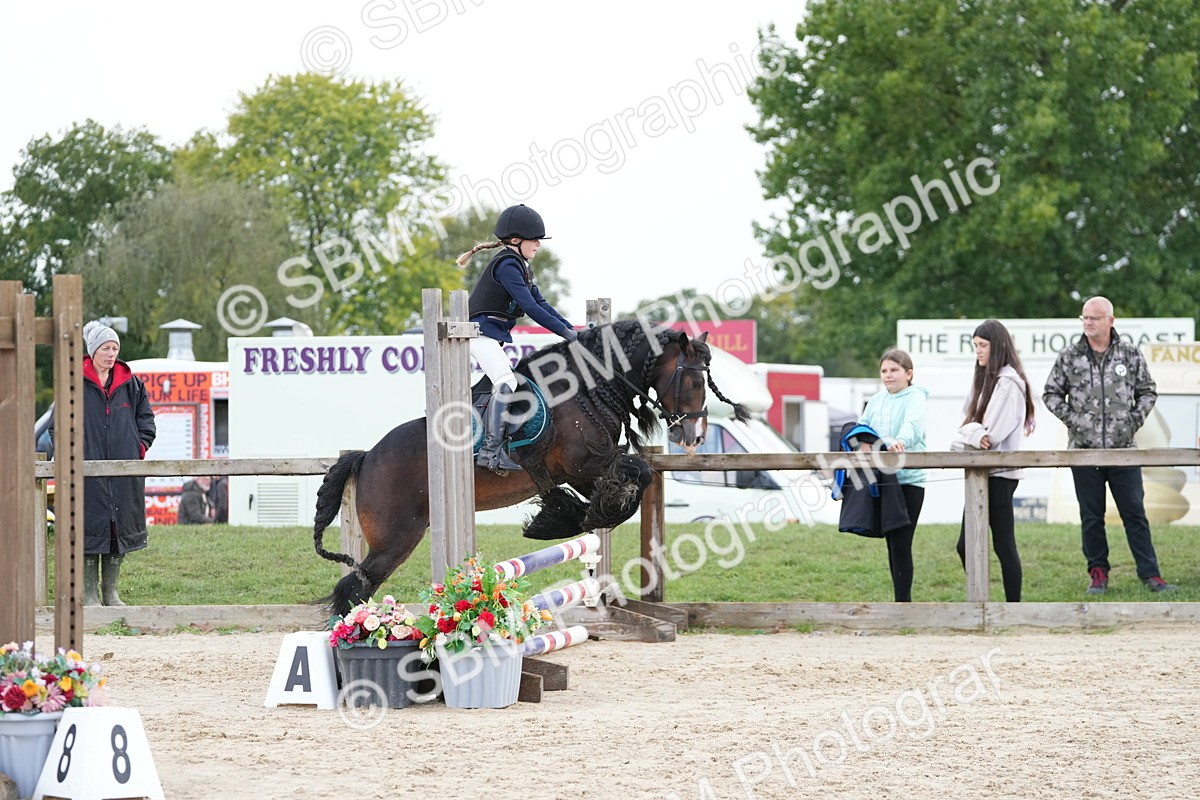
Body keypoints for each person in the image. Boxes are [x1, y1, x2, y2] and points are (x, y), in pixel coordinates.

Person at [1043, 296, 1176, 594]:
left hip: (1123, 451)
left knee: (1135, 514)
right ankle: (1098, 573)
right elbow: (1051, 394)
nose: (1088, 322)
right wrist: (1075, 421)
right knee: (1092, 517)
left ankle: (1151, 575)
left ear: (1110, 321)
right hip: (1084, 453)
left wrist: (1132, 422)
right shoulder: (1069, 356)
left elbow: (1148, 391)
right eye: (1085, 317)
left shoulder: (1129, 353)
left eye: (1095, 317)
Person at [456, 204, 578, 474]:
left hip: (486, 336)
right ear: (515, 241)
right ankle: (489, 451)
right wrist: (565, 333)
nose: (538, 245)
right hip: (475, 335)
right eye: (534, 240)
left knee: (506, 381)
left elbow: (542, 303)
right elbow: (530, 308)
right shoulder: (507, 266)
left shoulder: (521, 267)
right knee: (507, 382)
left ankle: (493, 445)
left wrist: (571, 330)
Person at [63, 320, 156, 606]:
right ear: (93, 351)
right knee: (89, 530)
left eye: (115, 348)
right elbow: (59, 426)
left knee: (119, 530)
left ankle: (110, 593)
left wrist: (138, 447)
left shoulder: (132, 384)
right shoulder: (73, 384)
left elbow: (146, 420)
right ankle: (89, 595)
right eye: (105, 348)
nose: (111, 353)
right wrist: (70, 455)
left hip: (124, 474)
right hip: (86, 474)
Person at [953, 320, 1036, 602]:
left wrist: (973, 433)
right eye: (975, 345)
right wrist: (973, 433)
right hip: (979, 472)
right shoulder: (983, 379)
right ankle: (982, 602)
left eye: (983, 345)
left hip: (1000, 474)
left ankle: (1012, 607)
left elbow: (992, 435)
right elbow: (967, 422)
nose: (978, 350)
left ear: (997, 346)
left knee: (1003, 545)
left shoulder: (1009, 383)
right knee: (966, 545)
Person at [856, 349, 928, 602]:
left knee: (901, 542)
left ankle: (903, 606)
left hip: (909, 481)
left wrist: (900, 441)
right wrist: (861, 441)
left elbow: (913, 426)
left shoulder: (916, 397)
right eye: (884, 370)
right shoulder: (876, 400)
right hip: (884, 480)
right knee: (891, 542)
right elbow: (862, 426)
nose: (888, 375)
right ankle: (900, 604)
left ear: (908, 374)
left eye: (894, 370)